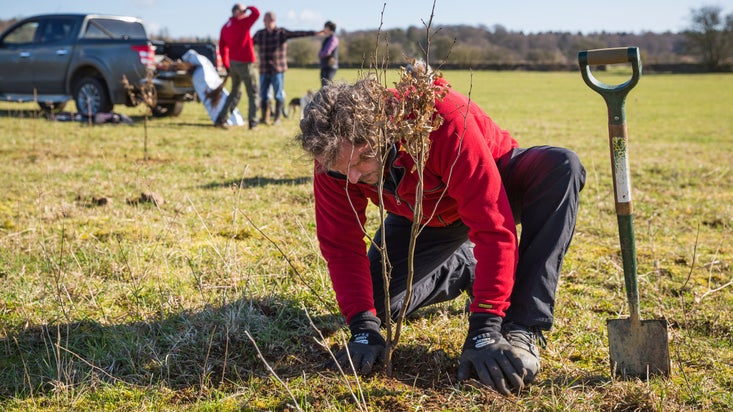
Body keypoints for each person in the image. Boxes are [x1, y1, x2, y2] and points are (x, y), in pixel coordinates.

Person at [295, 69, 586, 395]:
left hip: (495, 189)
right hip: (422, 215)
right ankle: (463, 268)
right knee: (376, 308)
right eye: (340, 167)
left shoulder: (438, 119)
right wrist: (362, 328)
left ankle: (521, 325)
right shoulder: (334, 159)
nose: (352, 177)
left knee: (561, 166)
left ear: (383, 131)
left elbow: (493, 227)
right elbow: (341, 246)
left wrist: (485, 327)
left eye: (363, 159)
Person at [253, 12, 324, 125]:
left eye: (267, 20)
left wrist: (314, 33)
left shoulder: (281, 33)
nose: (265, 22)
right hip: (264, 69)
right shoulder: (260, 34)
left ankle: (277, 118)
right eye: (265, 20)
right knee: (264, 95)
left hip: (277, 70)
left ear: (272, 20)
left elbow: (298, 33)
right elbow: (248, 44)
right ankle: (264, 118)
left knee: (278, 94)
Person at [216, 3, 260, 130]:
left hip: (233, 64)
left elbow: (222, 47)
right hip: (246, 64)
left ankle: (222, 119)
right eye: (242, 10)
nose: (245, 13)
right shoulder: (243, 22)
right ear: (237, 12)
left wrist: (226, 64)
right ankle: (253, 122)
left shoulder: (225, 27)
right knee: (253, 93)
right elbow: (256, 13)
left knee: (234, 93)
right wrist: (248, 7)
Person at [318, 21, 339, 87]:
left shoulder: (333, 39)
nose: (324, 29)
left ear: (329, 28)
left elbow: (327, 52)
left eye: (325, 27)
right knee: (324, 87)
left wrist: (320, 54)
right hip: (325, 66)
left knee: (327, 87)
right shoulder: (328, 39)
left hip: (330, 66)